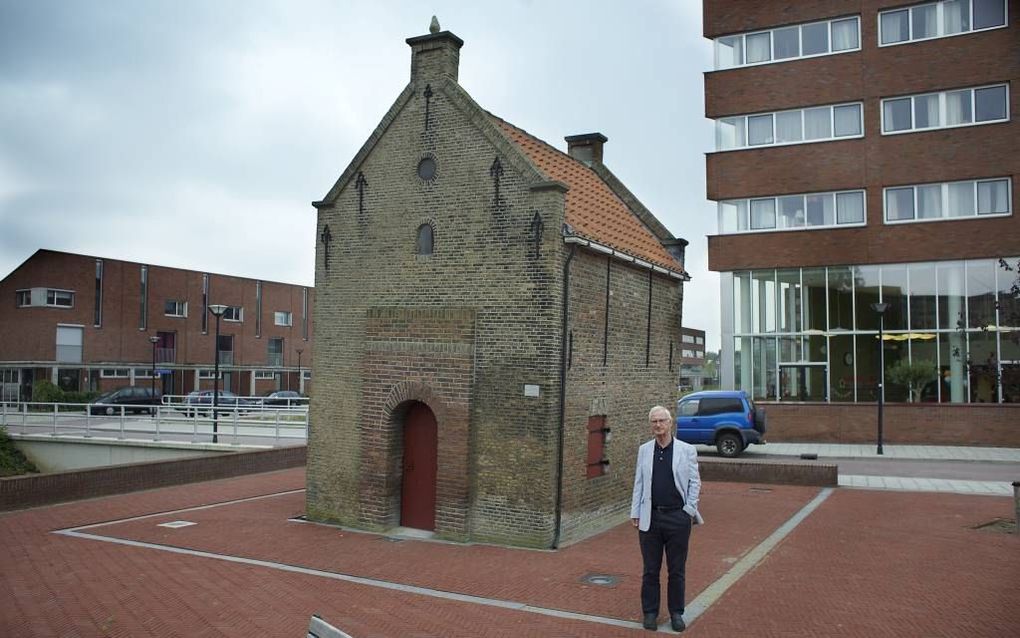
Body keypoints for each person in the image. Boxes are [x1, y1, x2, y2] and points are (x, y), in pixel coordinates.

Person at [631, 405, 703, 632]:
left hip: (677, 518)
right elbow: (639, 483)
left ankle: (676, 613)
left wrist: (689, 511)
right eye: (654, 421)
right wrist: (635, 512)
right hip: (650, 518)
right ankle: (650, 612)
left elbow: (695, 482)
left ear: (670, 423)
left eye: (662, 421)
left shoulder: (686, 450)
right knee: (650, 569)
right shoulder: (644, 450)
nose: (658, 425)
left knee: (676, 569)